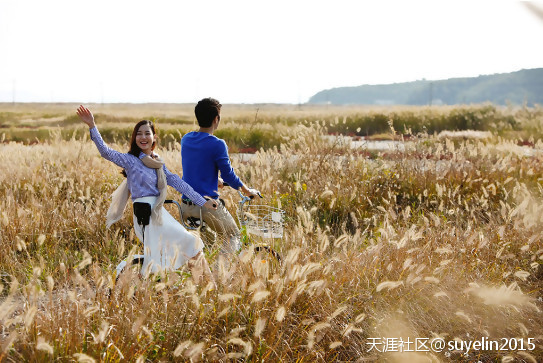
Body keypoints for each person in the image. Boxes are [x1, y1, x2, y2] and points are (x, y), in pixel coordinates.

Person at [76, 105, 216, 283]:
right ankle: (209, 287)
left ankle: (206, 287)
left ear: (153, 137)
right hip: (146, 215)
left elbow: (178, 183)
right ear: (135, 138)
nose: (143, 137)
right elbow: (105, 152)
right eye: (139, 134)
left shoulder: (158, 163)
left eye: (147, 133)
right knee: (189, 245)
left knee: (191, 247)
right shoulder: (131, 161)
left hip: (158, 213)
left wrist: (203, 201)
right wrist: (92, 126)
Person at [179, 97, 260, 256]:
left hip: (186, 206)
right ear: (216, 119)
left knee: (206, 244)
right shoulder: (218, 144)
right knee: (233, 236)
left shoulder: (186, 139)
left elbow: (195, 166)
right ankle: (219, 276)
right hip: (206, 205)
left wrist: (214, 180)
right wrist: (247, 190)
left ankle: (202, 276)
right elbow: (229, 175)